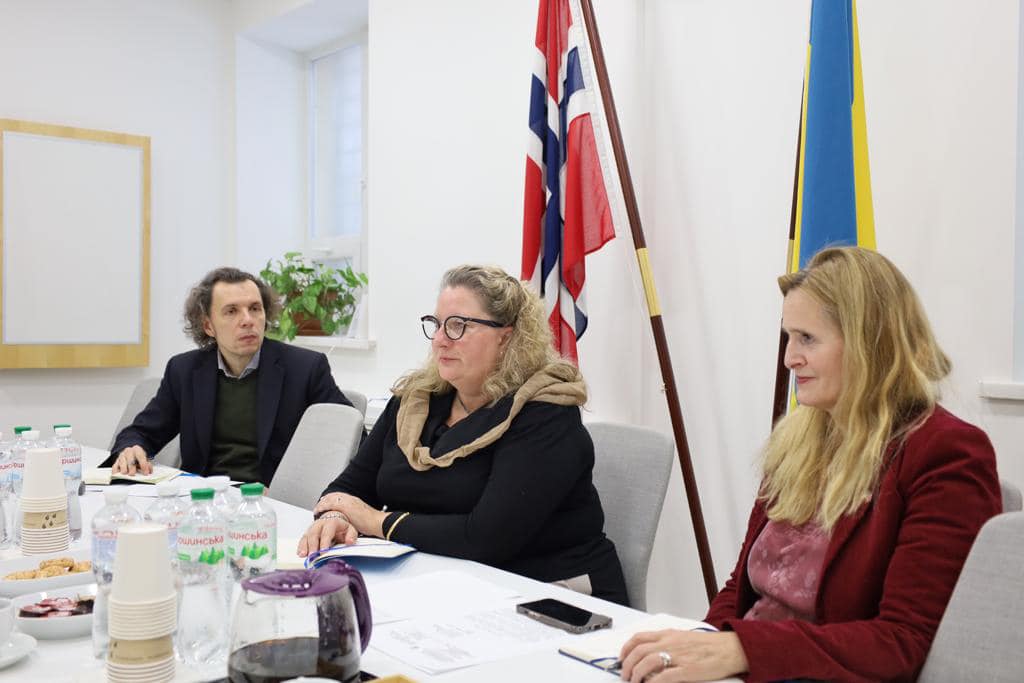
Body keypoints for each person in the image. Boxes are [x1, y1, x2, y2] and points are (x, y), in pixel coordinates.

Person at [618, 247, 1001, 682]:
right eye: (789, 337)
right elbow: (741, 587)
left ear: (869, 342)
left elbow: (903, 642)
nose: (789, 358)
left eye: (807, 339)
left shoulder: (945, 452)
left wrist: (741, 649)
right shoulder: (797, 439)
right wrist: (702, 644)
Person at [298, 265, 628, 605]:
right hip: (440, 581)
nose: (440, 339)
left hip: (552, 594)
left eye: (458, 325)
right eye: (437, 324)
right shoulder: (415, 401)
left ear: (506, 337)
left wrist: (373, 520)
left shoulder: (545, 413)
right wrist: (336, 517)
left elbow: (486, 539)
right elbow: (347, 489)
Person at [105, 267, 354, 485]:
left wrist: (288, 489)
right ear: (208, 326)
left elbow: (350, 436)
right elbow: (141, 432)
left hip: (268, 501)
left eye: (255, 309)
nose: (247, 320)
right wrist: (131, 448)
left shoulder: (305, 368)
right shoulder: (184, 371)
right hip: (202, 500)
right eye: (231, 311)